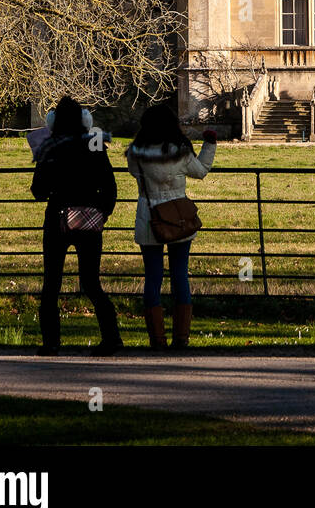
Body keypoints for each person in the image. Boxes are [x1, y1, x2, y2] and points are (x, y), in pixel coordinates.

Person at [31, 96, 121, 356]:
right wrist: (103, 213)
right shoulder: (94, 144)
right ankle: (111, 338)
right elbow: (109, 185)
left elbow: (38, 190)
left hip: (58, 217)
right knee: (92, 283)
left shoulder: (50, 146)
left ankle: (51, 343)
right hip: (90, 217)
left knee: (51, 284)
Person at [126, 104, 216, 350]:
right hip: (178, 217)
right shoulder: (181, 152)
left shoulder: (136, 152)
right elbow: (201, 171)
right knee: (179, 275)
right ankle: (181, 338)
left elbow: (134, 173)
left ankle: (156, 339)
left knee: (153, 278)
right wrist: (209, 145)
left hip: (149, 215)